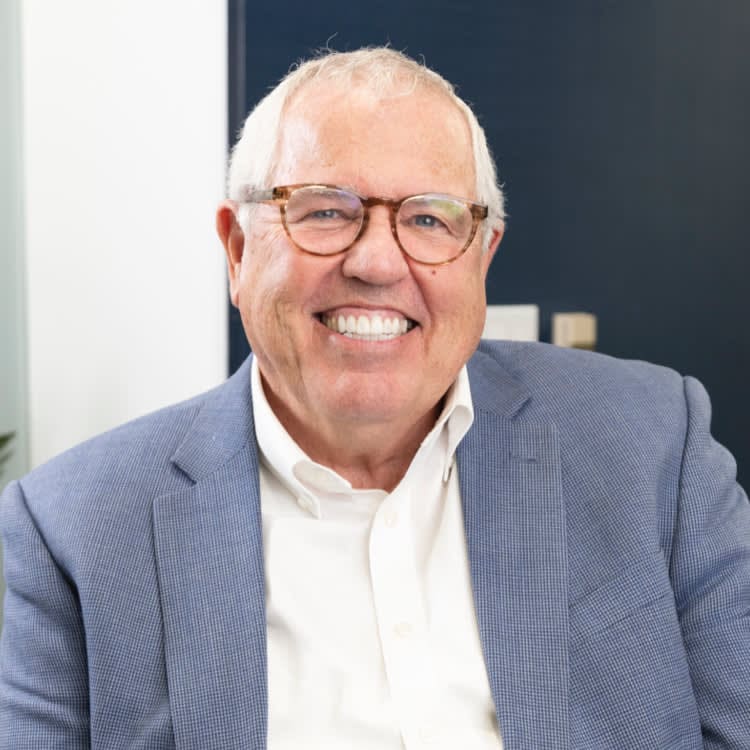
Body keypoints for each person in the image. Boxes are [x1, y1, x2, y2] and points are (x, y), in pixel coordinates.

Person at [1, 47, 748, 750]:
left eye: (428, 219)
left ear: (482, 258)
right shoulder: (69, 530)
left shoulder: (655, 445)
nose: (377, 261)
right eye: (325, 209)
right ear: (237, 249)